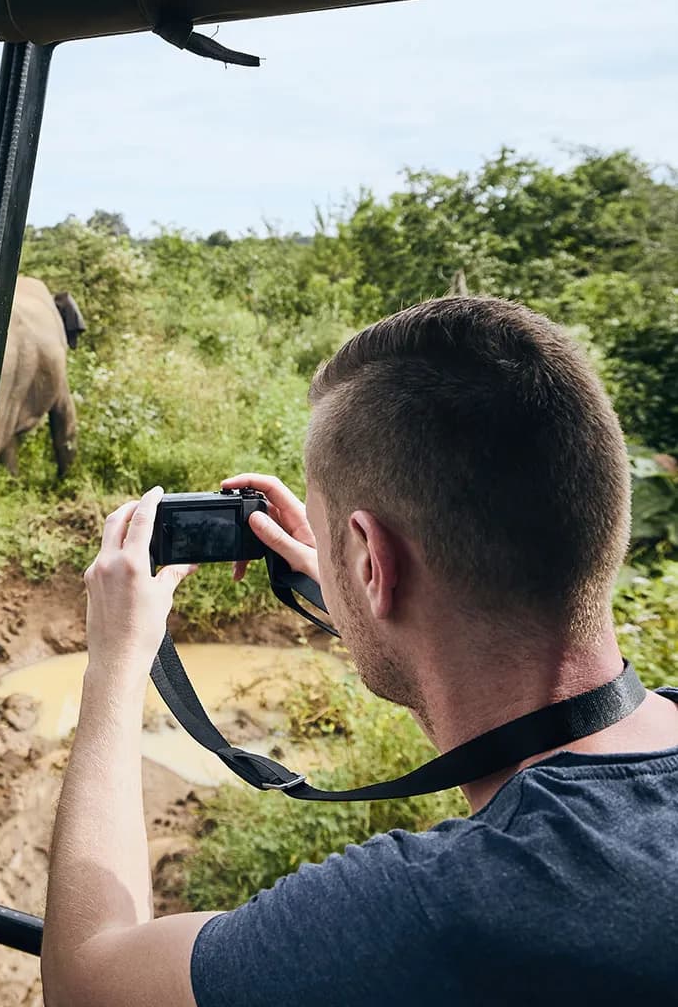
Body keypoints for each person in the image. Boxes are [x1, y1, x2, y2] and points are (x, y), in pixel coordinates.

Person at [40, 296, 678, 1006]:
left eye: (330, 539)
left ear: (374, 560)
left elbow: (86, 980)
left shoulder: (442, 905)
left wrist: (117, 661)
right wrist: (367, 595)